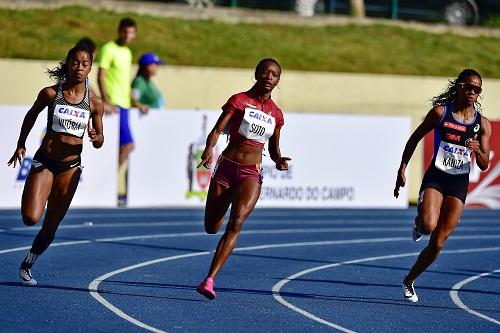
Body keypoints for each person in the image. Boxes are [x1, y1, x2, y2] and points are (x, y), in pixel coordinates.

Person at [7, 43, 104, 286]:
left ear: (90, 69)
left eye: (85, 64)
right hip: (46, 162)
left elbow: (100, 140)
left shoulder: (95, 103)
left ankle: (28, 262)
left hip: (70, 167)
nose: (79, 67)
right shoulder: (51, 93)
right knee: (30, 217)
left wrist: (97, 138)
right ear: (68, 64)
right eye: (75, 62)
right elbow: (31, 115)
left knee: (50, 228)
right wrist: (21, 144)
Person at [196, 58, 291, 300]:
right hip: (227, 168)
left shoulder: (276, 115)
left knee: (236, 222)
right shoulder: (239, 100)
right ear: (257, 74)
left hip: (251, 173)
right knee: (211, 227)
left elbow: (273, 149)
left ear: (278, 81)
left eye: (275, 74)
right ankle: (216, 233)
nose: (270, 77)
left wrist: (279, 160)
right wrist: (209, 149)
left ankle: (209, 279)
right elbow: (217, 130)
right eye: (266, 72)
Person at [394, 68, 491, 302]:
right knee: (428, 226)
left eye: (477, 89)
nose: (472, 92)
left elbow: (485, 164)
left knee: (438, 244)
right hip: (437, 177)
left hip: (458, 184)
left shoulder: (482, 124)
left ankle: (409, 280)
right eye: (468, 87)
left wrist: (478, 150)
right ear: (459, 86)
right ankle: (418, 224)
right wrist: (402, 169)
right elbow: (415, 138)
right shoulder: (441, 113)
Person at [96, 17, 148, 206]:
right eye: (125, 32)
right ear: (119, 31)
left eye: (131, 32)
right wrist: (106, 101)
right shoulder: (108, 48)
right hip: (114, 106)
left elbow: (124, 83)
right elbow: (101, 76)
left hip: (124, 105)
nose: (128, 36)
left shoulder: (126, 52)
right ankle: (108, 183)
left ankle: (107, 183)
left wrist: (137, 103)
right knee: (127, 145)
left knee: (122, 146)